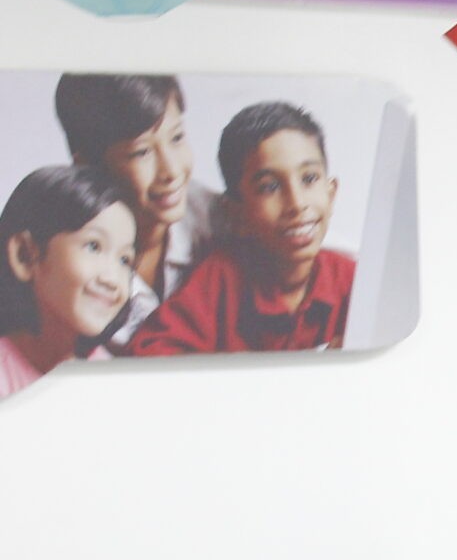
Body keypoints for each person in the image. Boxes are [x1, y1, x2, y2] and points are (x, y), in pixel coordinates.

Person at [128, 101, 353, 356]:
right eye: (269, 187)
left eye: (309, 178)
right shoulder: (220, 280)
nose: (297, 203)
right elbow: (148, 354)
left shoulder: (354, 282)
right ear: (236, 214)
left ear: (331, 194)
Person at [53, 73, 218, 351]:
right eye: (142, 152)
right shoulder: (62, 264)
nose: (171, 170)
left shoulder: (220, 219)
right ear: (87, 167)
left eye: (177, 137)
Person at [0, 165, 135, 399]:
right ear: (25, 255)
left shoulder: (106, 375)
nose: (112, 280)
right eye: (93, 246)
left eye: (125, 260)